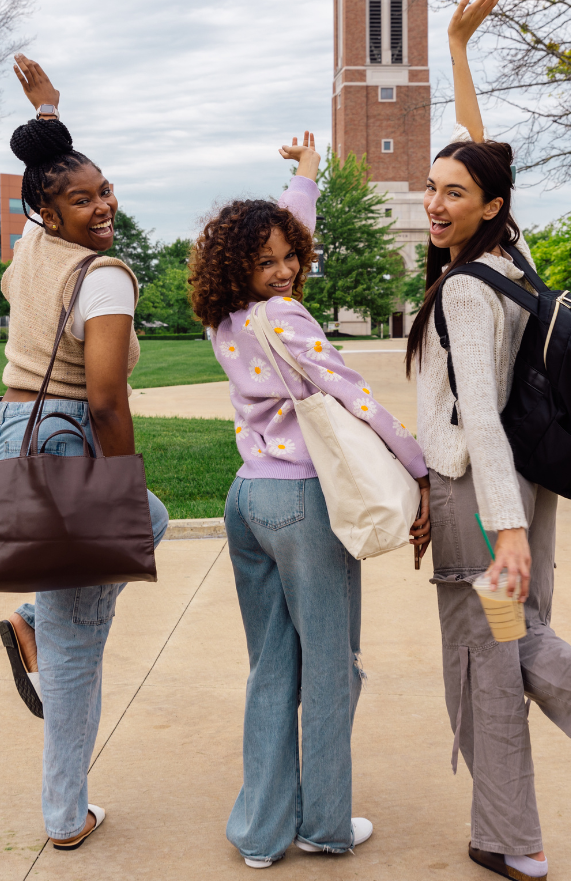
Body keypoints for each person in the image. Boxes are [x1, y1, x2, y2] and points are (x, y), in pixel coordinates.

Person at [407, 3, 571, 880]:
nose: (436, 203)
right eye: (433, 189)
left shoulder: (466, 293)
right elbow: (485, 148)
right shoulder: (514, 260)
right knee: (509, 633)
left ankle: (518, 836)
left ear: (489, 206)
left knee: (485, 662)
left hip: (481, 496)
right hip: (525, 488)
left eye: (454, 194)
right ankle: (558, 700)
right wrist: (456, 48)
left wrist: (497, 530)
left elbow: (476, 411)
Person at [189, 132, 432, 869]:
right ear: (245, 268)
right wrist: (417, 466)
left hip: (248, 501)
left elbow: (279, 236)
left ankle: (260, 835)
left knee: (271, 667)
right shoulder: (288, 318)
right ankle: (323, 823)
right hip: (304, 507)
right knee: (330, 666)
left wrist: (307, 176)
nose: (287, 267)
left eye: (290, 254)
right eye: (269, 261)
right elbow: (353, 395)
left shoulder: (225, 318)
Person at [0, 54, 169, 852]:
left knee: (148, 527)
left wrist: (48, 113)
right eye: (80, 199)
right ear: (50, 212)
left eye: (104, 191)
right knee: (80, 644)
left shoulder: (29, 252)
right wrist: (118, 481)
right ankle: (65, 814)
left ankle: (30, 621)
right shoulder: (105, 276)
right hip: (68, 442)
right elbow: (107, 397)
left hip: (7, 436)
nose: (100, 206)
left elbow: (41, 177)